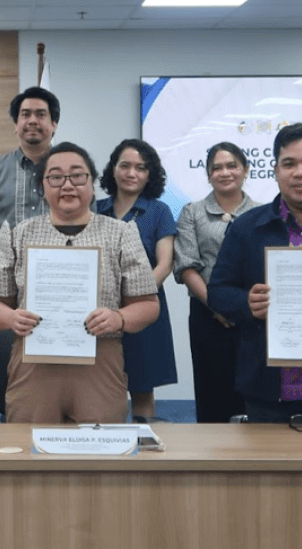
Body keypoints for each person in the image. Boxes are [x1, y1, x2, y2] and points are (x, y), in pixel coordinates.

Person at [0, 142, 159, 424]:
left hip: (99, 360)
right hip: (33, 361)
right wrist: (10, 317)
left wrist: (119, 318)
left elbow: (148, 304)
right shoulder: (16, 233)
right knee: (30, 450)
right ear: (43, 185)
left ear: (92, 183)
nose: (67, 185)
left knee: (99, 455)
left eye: (77, 175)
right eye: (55, 176)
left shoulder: (121, 233)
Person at [209, 123, 302, 422]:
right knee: (270, 470)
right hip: (269, 389)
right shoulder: (246, 227)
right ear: (275, 170)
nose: (300, 172)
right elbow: (218, 292)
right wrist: (246, 304)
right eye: (289, 163)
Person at [0, 86, 60, 418]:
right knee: (11, 387)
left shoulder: (69, 170)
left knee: (56, 385)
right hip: (8, 294)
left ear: (54, 124)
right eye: (25, 115)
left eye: (41, 115)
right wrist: (3, 265)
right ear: (15, 123)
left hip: (59, 291)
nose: (33, 121)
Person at [174, 142, 258, 423]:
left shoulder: (262, 213)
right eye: (216, 168)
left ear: (246, 169)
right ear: (208, 175)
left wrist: (239, 307)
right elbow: (187, 266)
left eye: (232, 165)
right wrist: (219, 306)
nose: (225, 173)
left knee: (251, 390)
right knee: (212, 391)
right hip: (206, 313)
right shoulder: (192, 212)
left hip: (252, 314)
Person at [96, 139, 178, 421]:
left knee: (142, 388)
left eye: (141, 168)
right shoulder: (96, 209)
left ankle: (144, 456)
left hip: (145, 309)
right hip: (100, 312)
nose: (132, 173)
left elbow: (165, 264)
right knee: (102, 385)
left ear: (149, 174)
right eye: (125, 166)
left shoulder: (159, 211)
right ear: (113, 170)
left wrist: (133, 298)